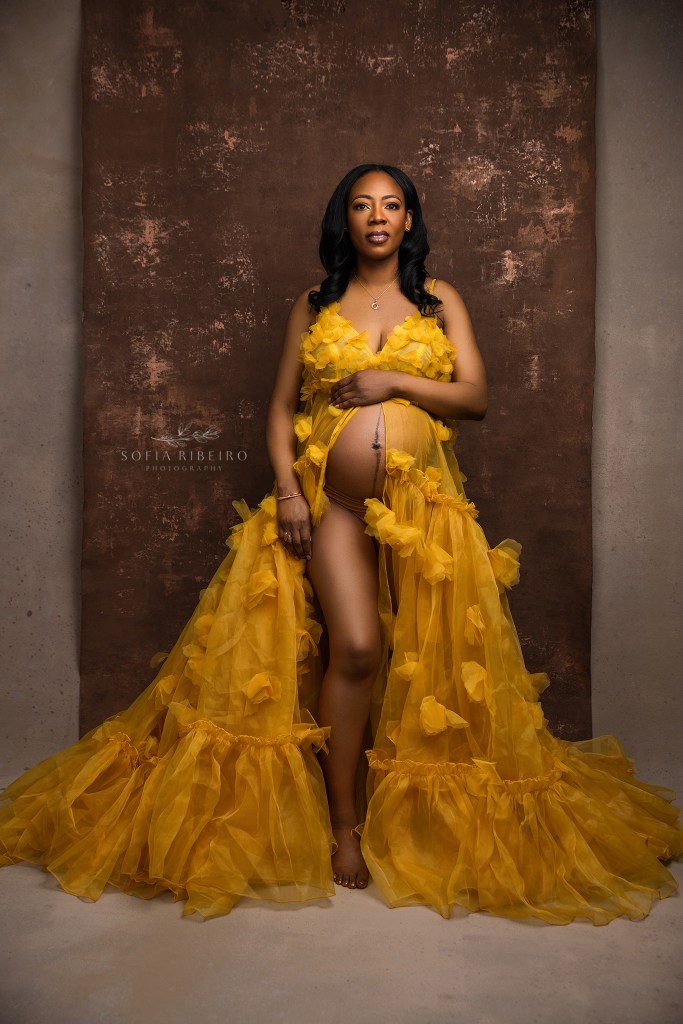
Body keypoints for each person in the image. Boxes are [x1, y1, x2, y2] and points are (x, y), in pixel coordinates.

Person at [1, 163, 681, 923]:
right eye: (363, 206)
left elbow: (475, 398)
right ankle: (343, 827)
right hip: (333, 500)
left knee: (437, 672)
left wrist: (394, 381)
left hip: (426, 508)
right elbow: (278, 407)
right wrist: (290, 491)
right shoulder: (314, 302)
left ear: (411, 221)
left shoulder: (439, 299)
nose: (378, 216)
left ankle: (419, 818)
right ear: (345, 221)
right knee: (355, 648)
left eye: (392, 205)